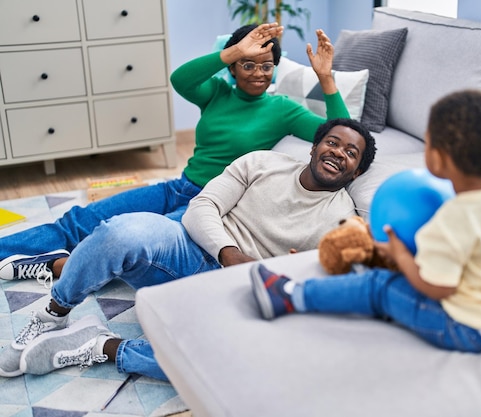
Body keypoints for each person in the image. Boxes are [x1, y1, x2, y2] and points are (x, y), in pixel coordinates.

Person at [0, 118, 377, 379]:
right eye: (332, 142)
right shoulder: (262, 163)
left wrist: (279, 270)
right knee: (121, 230)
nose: (338, 153)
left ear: (357, 172)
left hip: (239, 292)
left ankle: (104, 346)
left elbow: (314, 276)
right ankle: (56, 310)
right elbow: (201, 208)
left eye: (351, 153)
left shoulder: (344, 219)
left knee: (234, 362)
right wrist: (229, 253)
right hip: (190, 250)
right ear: (314, 147)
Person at [0, 23, 350, 284]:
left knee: (124, 239)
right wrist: (233, 50)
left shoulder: (283, 109)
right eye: (248, 64)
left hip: (214, 202)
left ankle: (55, 266)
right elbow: (180, 79)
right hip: (178, 186)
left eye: (266, 66)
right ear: (232, 67)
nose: (258, 73)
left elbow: (343, 132)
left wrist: (326, 78)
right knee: (80, 220)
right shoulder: (215, 93)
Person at [250, 90, 481, 354]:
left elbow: (438, 289)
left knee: (379, 285)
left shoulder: (452, 219)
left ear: (437, 159)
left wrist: (400, 255)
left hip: (471, 330)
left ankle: (291, 296)